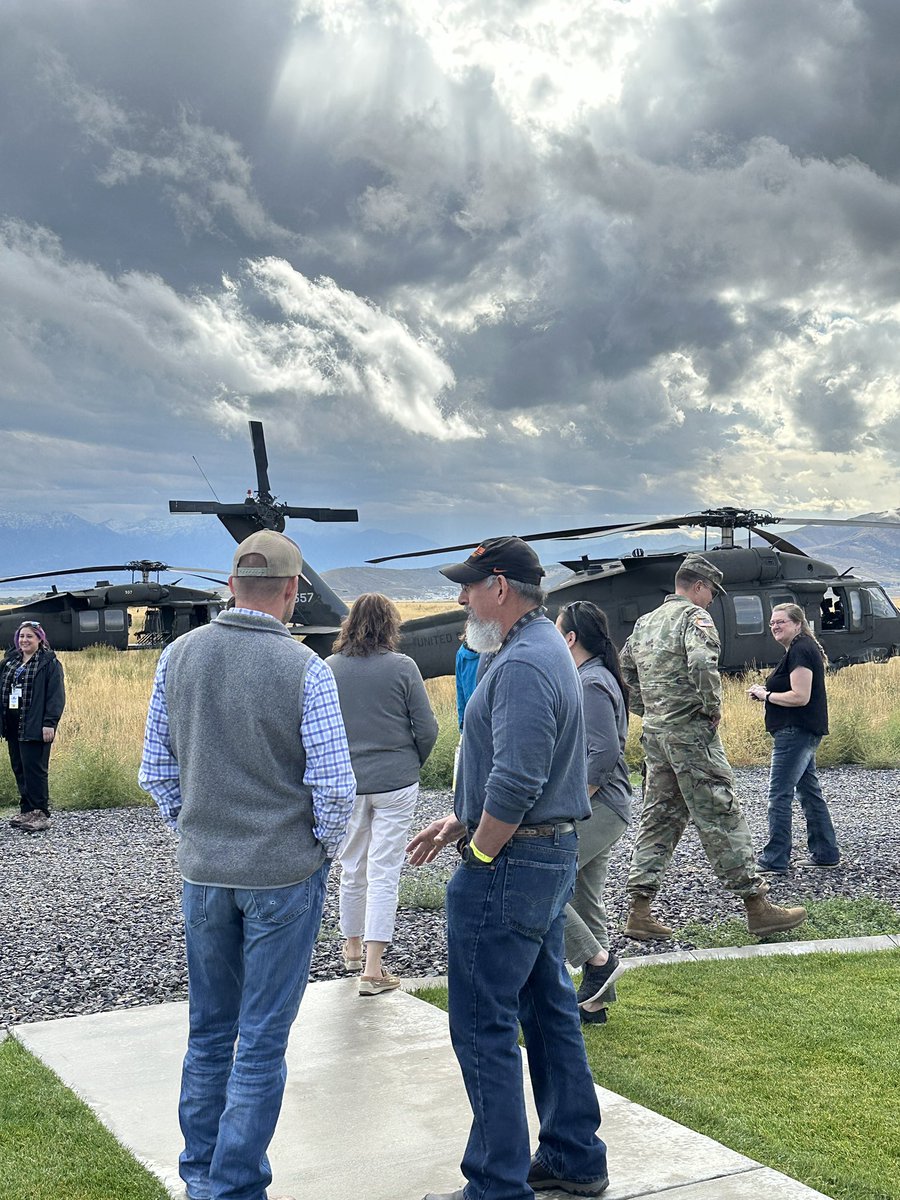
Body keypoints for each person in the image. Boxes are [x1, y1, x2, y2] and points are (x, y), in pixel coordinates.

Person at [138, 529, 355, 1200]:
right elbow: (337, 788)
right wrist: (319, 847)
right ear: (292, 591)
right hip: (283, 876)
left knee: (208, 1035)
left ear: (232, 585)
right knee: (261, 1042)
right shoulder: (306, 669)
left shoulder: (177, 658)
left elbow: (157, 771)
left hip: (204, 873)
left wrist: (195, 831)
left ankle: (202, 1176)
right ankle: (231, 1187)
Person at [408, 536, 610, 1200]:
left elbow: (519, 779)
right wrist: (461, 820)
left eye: (469, 585)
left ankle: (497, 1183)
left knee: (479, 1020)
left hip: (515, 862)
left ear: (501, 587)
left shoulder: (523, 662)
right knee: (547, 1007)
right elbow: (523, 769)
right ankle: (575, 1156)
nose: (461, 598)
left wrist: (481, 850)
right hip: (540, 856)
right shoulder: (541, 648)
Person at [620, 554, 807, 941]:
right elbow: (703, 663)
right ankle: (758, 907)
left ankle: (639, 909)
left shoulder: (645, 623)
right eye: (711, 593)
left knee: (658, 818)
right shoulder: (695, 618)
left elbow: (624, 672)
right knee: (721, 812)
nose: (711, 601)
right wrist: (711, 709)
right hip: (691, 734)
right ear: (699, 586)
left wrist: (649, 708)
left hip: (656, 736)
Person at [326, 593, 438, 995]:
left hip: (348, 783)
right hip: (396, 781)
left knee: (352, 864)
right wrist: (411, 762)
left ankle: (352, 947)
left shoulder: (329, 668)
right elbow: (426, 728)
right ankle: (373, 970)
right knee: (385, 869)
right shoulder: (403, 667)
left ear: (349, 623)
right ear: (390, 624)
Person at [555, 601, 631, 1025]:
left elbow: (602, 752)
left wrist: (574, 802)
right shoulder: (593, 677)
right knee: (586, 899)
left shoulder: (589, 683)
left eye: (556, 630)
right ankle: (595, 1003)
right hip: (604, 805)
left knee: (544, 884)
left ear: (570, 638)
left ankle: (598, 962)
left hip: (598, 806)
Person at [748, 603, 840, 872]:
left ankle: (775, 858)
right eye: (772, 623)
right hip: (799, 730)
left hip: (795, 731)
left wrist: (766, 695)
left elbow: (801, 696)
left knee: (779, 795)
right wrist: (766, 692)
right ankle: (825, 852)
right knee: (809, 793)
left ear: (798, 624)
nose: (775, 626)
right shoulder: (799, 649)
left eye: (781, 622)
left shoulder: (801, 649)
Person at [1, 621, 65, 834]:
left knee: (35, 769)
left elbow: (56, 696)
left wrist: (50, 723)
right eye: (21, 637)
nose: (24, 641)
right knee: (19, 767)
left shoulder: (48, 664)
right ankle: (27, 810)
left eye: (29, 636)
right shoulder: (11, 661)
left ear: (39, 639)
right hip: (13, 725)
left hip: (35, 724)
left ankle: (40, 813)